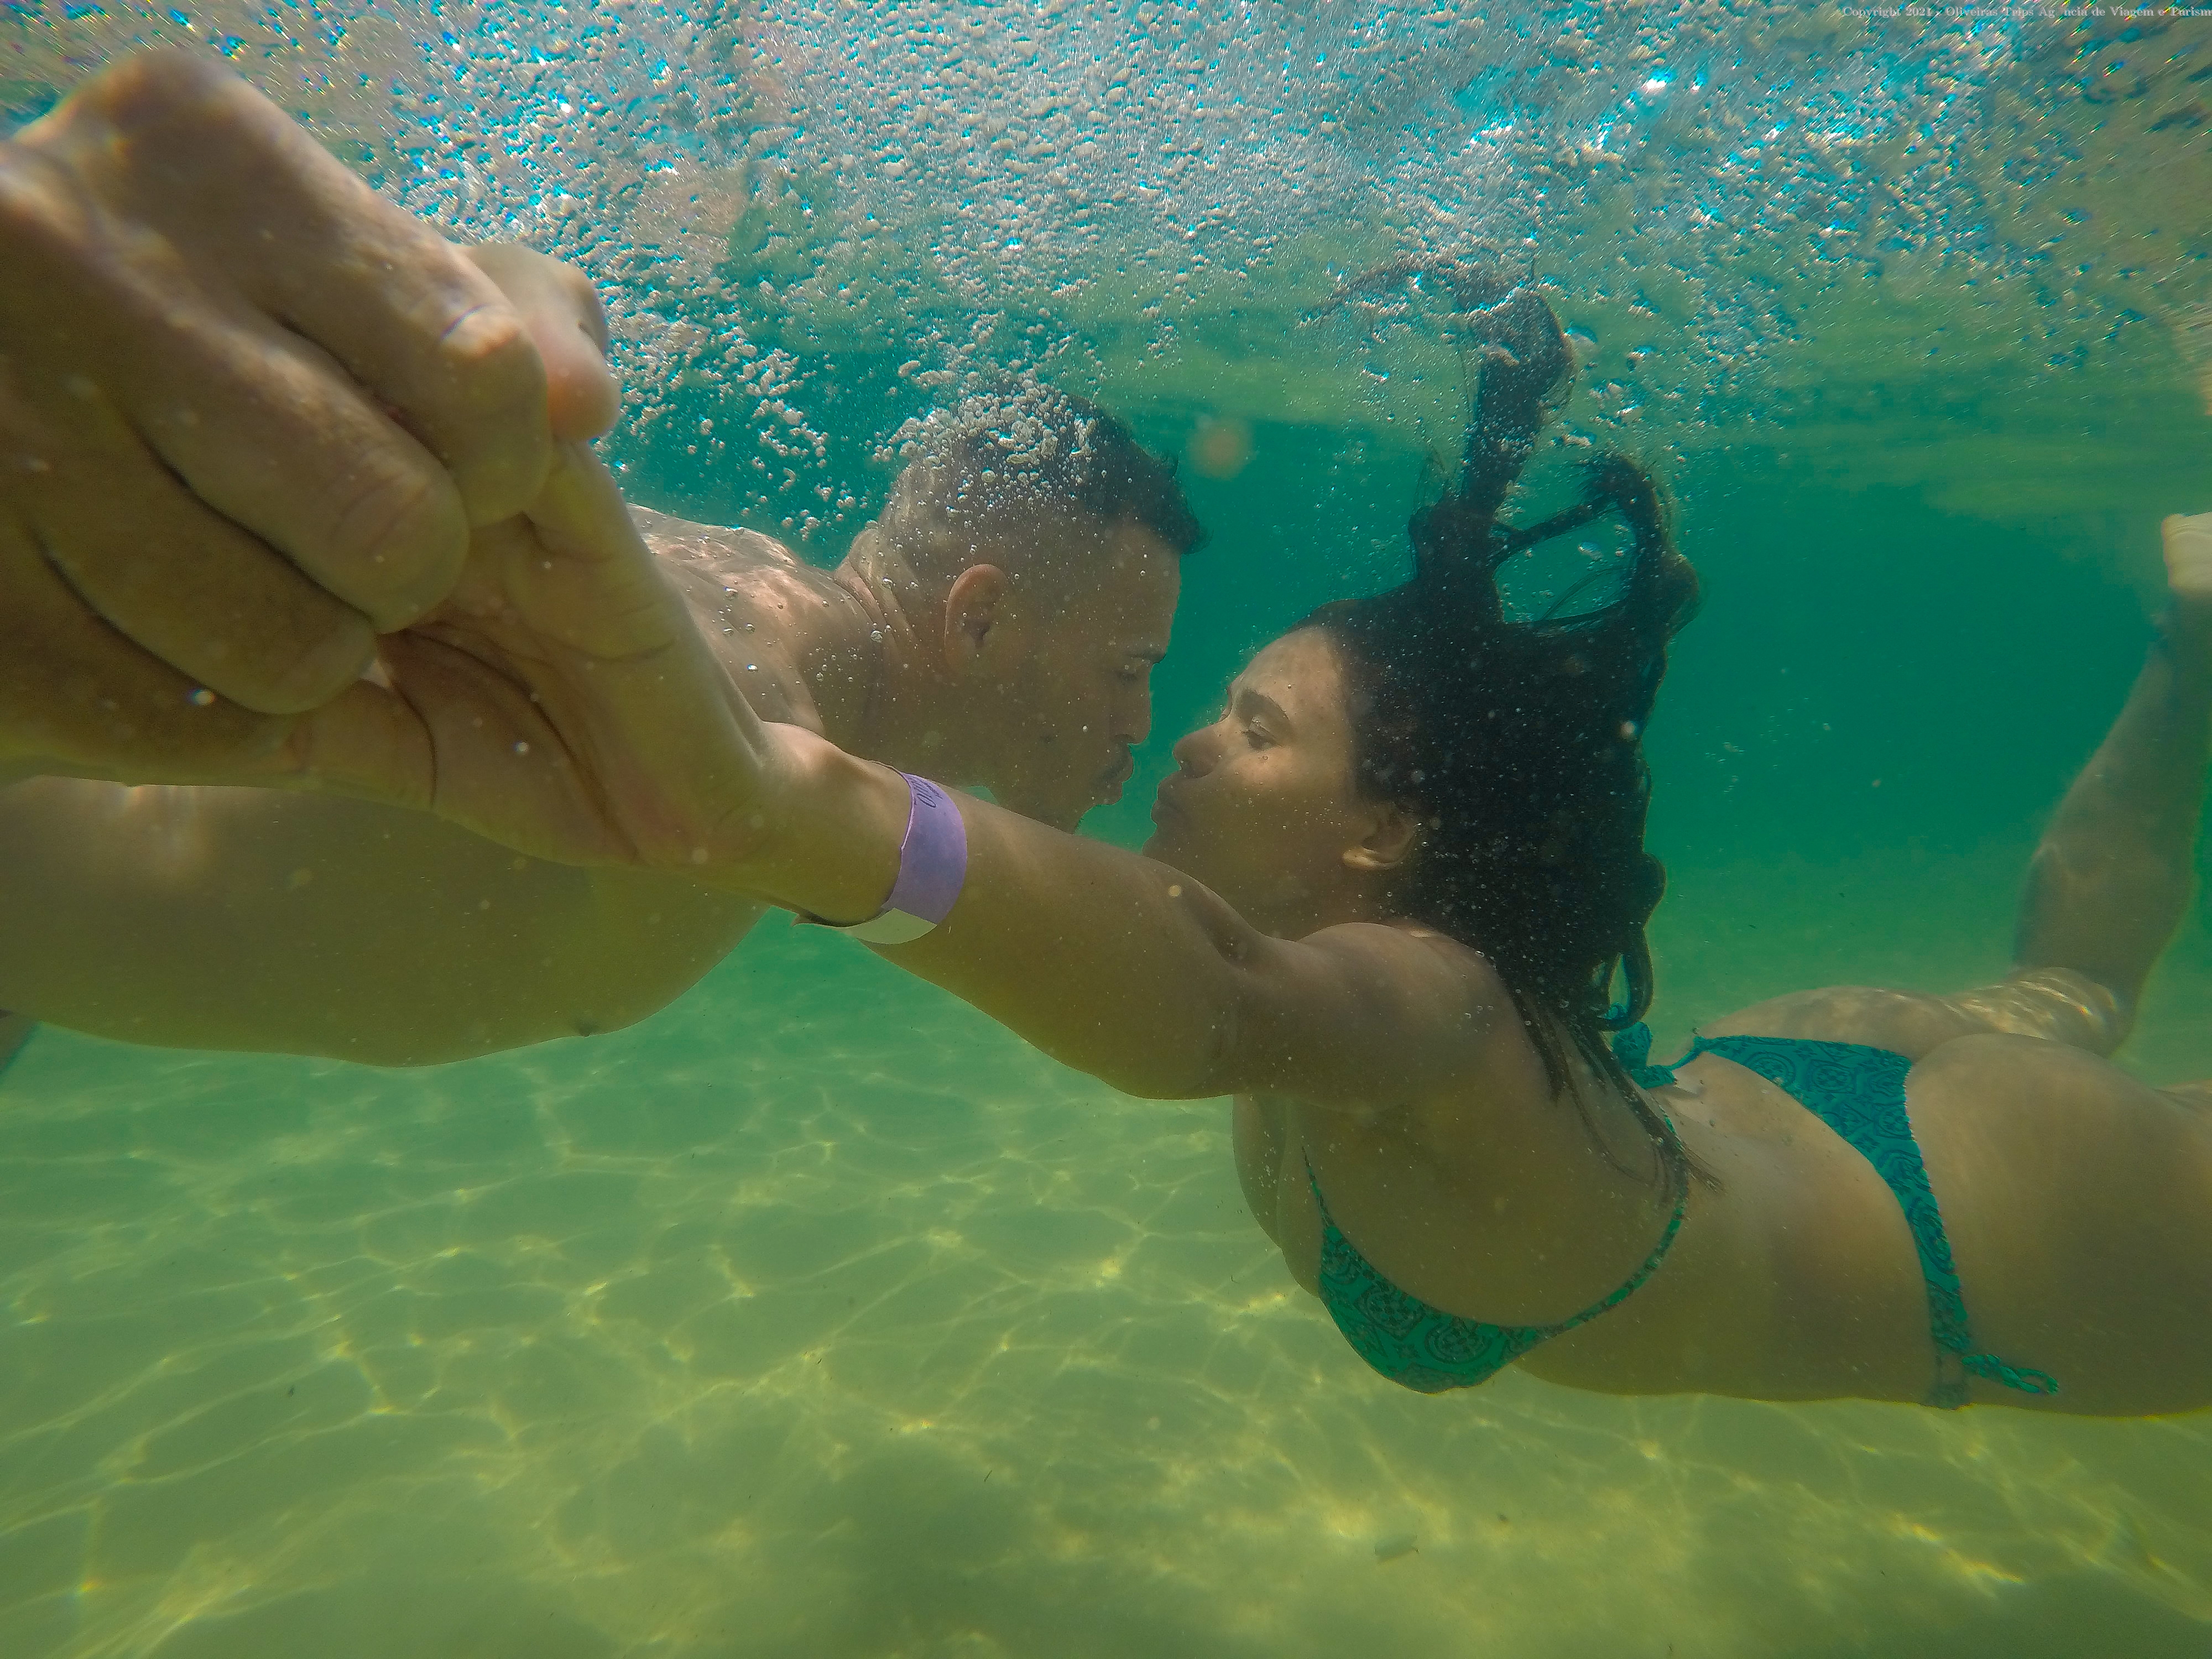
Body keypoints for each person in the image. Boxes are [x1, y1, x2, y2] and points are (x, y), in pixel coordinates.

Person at [281, 263, 2212, 1417]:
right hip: (1790, 1082)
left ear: (1381, 841)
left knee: (2065, 1012)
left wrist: (790, 811)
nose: (1183, 738)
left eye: (1259, 728)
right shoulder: (1389, 991)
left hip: (1982, 1225)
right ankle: (2196, 638)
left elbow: (1206, 1009)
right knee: (2062, 984)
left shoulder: (1432, 1013)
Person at [0, 59, 1201, 1067]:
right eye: (1127, 666)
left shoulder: (733, 611)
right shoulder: (723, 738)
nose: (1141, 718)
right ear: (979, 620)